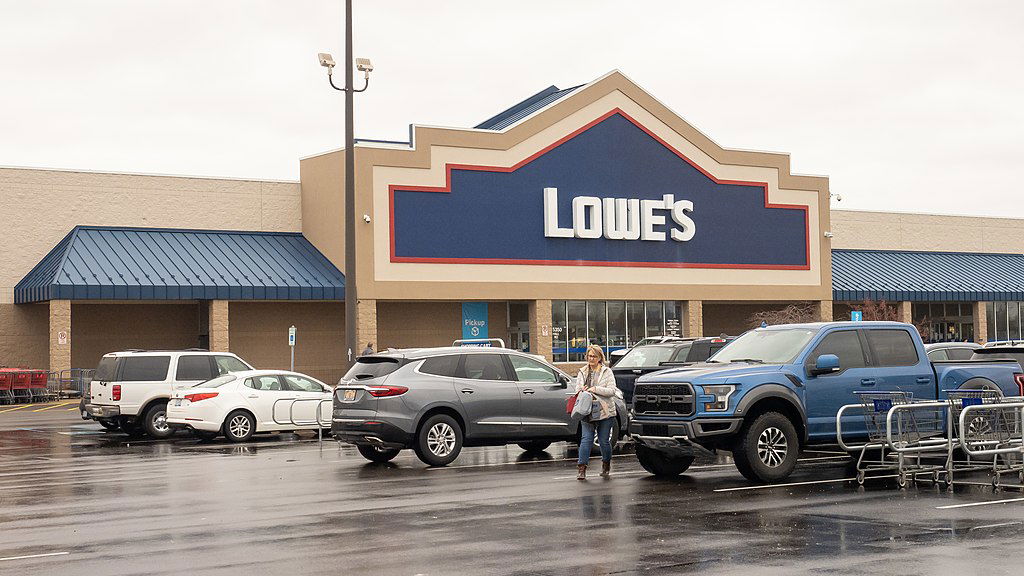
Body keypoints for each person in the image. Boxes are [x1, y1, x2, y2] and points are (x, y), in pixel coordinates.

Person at [576, 344, 617, 480]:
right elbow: (577, 390)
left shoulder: (607, 372)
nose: (591, 358)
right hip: (587, 410)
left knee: (603, 440)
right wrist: (582, 389)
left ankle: (606, 464)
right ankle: (581, 469)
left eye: (594, 356)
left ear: (600, 358)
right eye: (589, 356)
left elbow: (612, 391)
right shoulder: (582, 371)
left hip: (604, 411)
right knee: (586, 439)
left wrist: (595, 389)